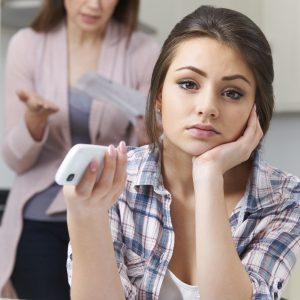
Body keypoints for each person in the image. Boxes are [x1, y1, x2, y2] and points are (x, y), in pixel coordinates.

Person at [64, 5, 300, 300]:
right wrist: (85, 216)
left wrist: (209, 175)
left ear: (257, 109)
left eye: (232, 93)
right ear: (160, 96)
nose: (207, 107)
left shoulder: (284, 198)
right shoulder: (116, 183)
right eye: (188, 84)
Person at [0, 0, 160, 299]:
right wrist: (34, 122)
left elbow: (153, 157)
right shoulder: (28, 45)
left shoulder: (142, 50)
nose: (93, 4)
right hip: (39, 219)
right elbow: (15, 160)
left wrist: (148, 126)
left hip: (112, 216)